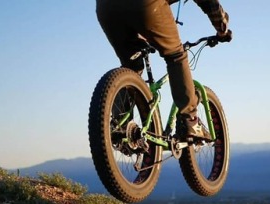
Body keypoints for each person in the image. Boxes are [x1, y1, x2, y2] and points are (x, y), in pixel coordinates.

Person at [96, 0, 232, 140]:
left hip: (106, 9)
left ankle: (120, 128)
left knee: (131, 67)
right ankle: (190, 120)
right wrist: (222, 28)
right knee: (176, 56)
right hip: (146, 5)